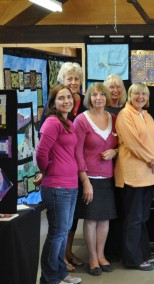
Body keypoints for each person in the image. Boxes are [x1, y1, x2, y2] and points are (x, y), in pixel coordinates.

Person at [38, 62, 86, 272]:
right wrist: (46, 169)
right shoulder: (52, 119)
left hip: (72, 179)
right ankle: (53, 273)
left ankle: (62, 263)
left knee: (66, 225)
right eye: (70, 79)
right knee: (58, 230)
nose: (67, 100)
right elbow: (42, 150)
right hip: (57, 182)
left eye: (77, 79)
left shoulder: (75, 114)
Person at [115, 82, 154, 271]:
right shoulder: (124, 115)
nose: (140, 97)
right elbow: (132, 143)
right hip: (132, 175)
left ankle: (143, 255)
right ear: (129, 95)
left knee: (143, 218)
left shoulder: (147, 115)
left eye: (144, 94)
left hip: (149, 174)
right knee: (134, 219)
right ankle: (132, 259)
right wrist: (152, 159)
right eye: (136, 93)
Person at [73, 83, 118, 276]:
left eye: (101, 94)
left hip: (108, 177)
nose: (98, 98)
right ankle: (92, 258)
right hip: (89, 177)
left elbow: (121, 145)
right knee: (91, 219)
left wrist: (115, 151)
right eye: (94, 95)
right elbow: (77, 153)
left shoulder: (113, 118)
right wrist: (85, 181)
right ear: (89, 98)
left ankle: (101, 255)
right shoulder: (81, 120)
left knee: (104, 219)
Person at [102, 74, 127, 262]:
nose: (115, 91)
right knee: (106, 211)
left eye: (118, 87)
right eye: (111, 87)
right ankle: (106, 250)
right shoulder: (100, 111)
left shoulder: (128, 110)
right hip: (103, 168)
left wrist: (116, 152)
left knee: (122, 210)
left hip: (125, 167)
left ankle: (120, 249)